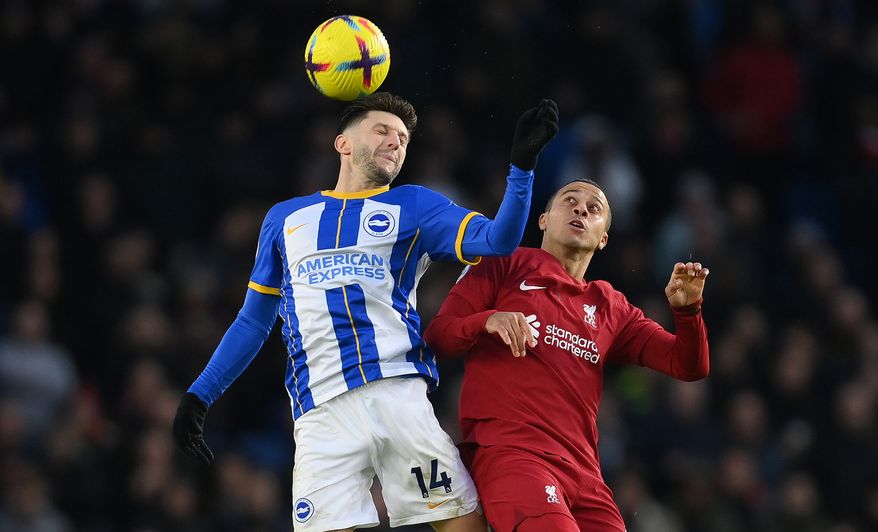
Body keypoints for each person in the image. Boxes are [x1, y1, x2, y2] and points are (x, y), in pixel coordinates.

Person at [172, 92, 559, 531]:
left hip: (397, 394)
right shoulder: (285, 219)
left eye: (403, 138)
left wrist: (521, 169)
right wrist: (199, 396)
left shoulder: (414, 205)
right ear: (343, 143)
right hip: (321, 410)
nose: (395, 142)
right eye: (382, 130)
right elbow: (254, 321)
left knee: (462, 524)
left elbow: (498, 240)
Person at [424, 179, 710, 531]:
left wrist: (688, 313)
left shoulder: (611, 307)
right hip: (514, 457)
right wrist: (486, 321)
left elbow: (688, 365)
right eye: (569, 200)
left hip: (586, 478)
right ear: (543, 220)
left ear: (603, 238)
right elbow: (438, 337)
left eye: (594, 209)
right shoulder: (502, 264)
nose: (580, 210)